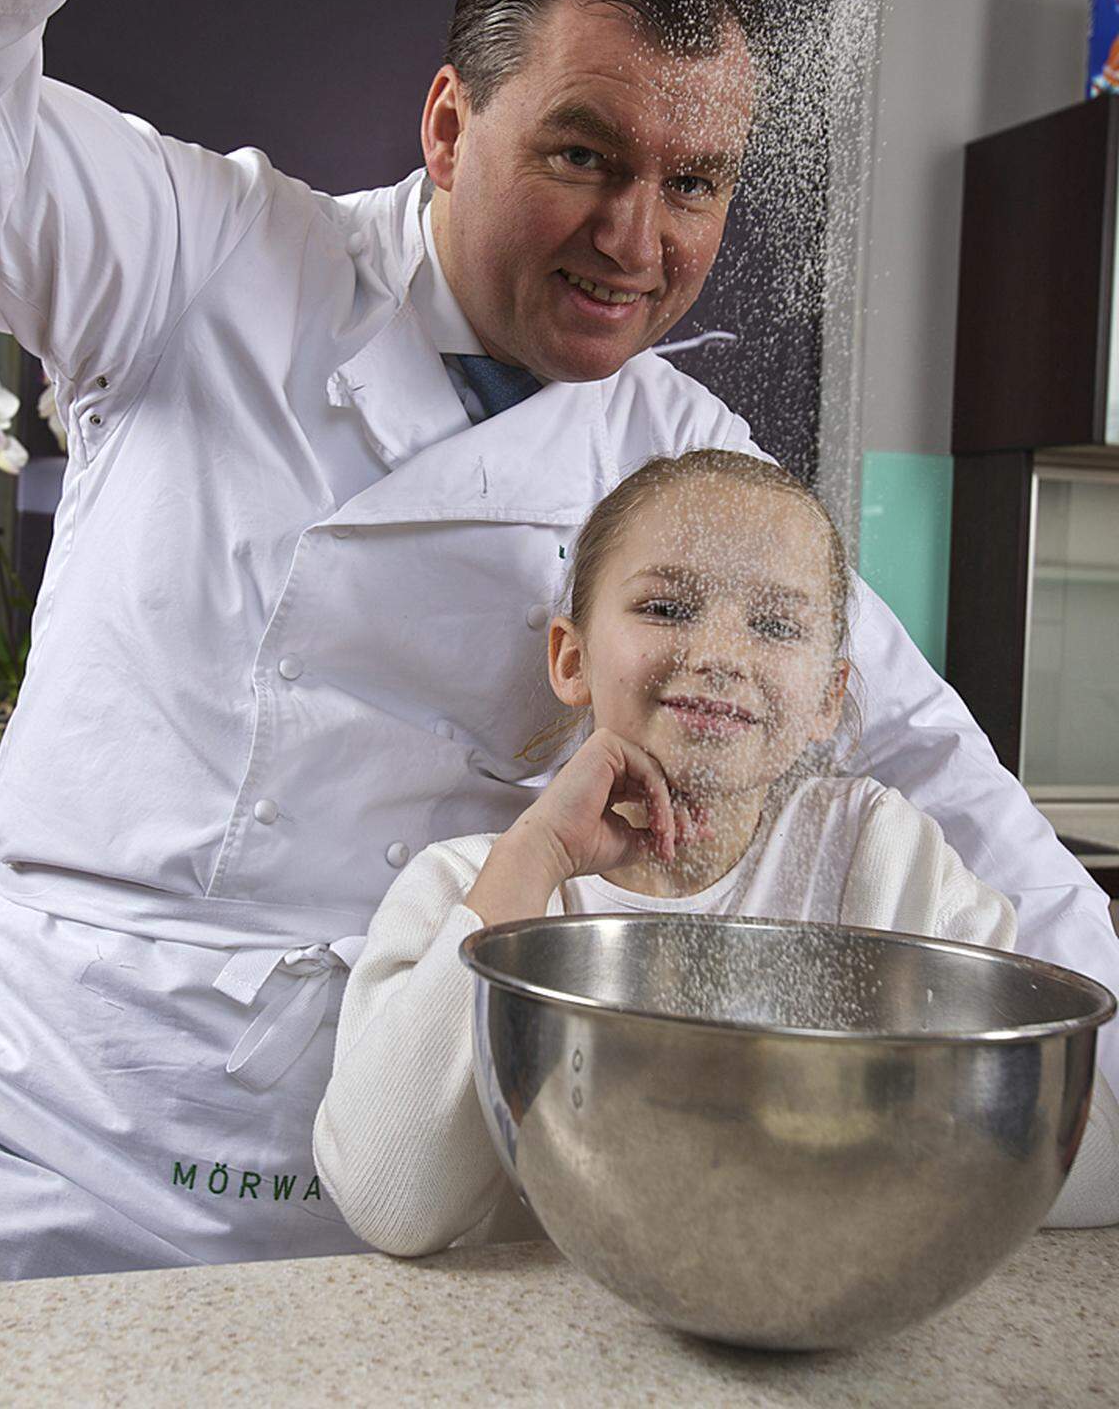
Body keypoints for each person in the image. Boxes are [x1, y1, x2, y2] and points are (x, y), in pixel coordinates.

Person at [0, 0, 1115, 1285]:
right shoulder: (203, 257)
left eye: (694, 183)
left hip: (413, 1179)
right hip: (44, 1130)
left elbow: (914, 759)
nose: (640, 236)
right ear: (446, 124)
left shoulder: (688, 456)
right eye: (582, 152)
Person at [312, 452, 1119, 1254]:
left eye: (773, 625)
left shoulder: (882, 858)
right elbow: (395, 1201)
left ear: (826, 701)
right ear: (571, 659)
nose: (720, 654)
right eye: (665, 608)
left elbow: (1088, 1164)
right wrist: (538, 853)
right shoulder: (475, 889)